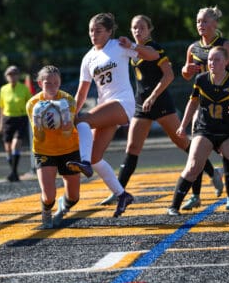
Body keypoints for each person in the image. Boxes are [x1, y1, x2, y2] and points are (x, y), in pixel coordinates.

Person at [99, 14, 223, 206]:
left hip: (160, 102)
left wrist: (153, 97)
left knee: (182, 142)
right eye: (134, 28)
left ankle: (212, 172)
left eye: (142, 27)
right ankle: (119, 191)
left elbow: (169, 75)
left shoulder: (154, 48)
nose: (137, 31)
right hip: (142, 104)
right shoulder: (132, 50)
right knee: (132, 148)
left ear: (150, 29)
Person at [65, 12, 160, 217]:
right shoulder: (88, 57)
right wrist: (71, 110)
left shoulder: (118, 45)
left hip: (122, 103)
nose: (93, 34)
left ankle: (84, 164)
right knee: (95, 155)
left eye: (98, 30)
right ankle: (122, 194)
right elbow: (82, 92)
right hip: (106, 107)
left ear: (109, 32)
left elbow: (154, 55)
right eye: (91, 30)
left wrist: (133, 46)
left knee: (83, 121)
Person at [167, 46, 229, 216]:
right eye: (210, 59)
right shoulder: (201, 79)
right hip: (205, 130)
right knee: (194, 165)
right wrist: (182, 125)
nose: (212, 63)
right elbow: (193, 103)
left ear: (226, 62)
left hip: (228, 132)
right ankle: (174, 206)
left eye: (216, 59)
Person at [181, 6, 229, 211]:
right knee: (196, 154)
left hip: (224, 108)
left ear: (215, 23)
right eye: (198, 21)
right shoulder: (193, 48)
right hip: (202, 109)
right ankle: (196, 195)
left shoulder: (225, 45)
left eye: (204, 21)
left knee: (228, 152)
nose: (200, 25)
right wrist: (186, 70)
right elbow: (186, 74)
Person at [26, 65, 81, 229]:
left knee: (74, 197)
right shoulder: (32, 103)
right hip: (45, 150)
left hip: (69, 149)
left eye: (56, 83)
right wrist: (38, 121)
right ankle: (46, 213)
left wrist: (64, 122)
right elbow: (40, 137)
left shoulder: (68, 100)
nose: (52, 86)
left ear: (60, 82)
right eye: (48, 83)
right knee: (49, 196)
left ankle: (62, 208)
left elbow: (67, 133)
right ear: (40, 83)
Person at [0, 65, 32, 182]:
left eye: (14, 74)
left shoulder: (24, 88)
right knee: (7, 148)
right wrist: (0, 124)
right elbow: (1, 107)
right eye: (10, 74)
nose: (12, 76)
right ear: (6, 76)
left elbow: (30, 103)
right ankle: (14, 172)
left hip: (21, 119)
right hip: (7, 119)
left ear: (18, 76)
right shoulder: (3, 89)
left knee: (15, 145)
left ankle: (14, 172)